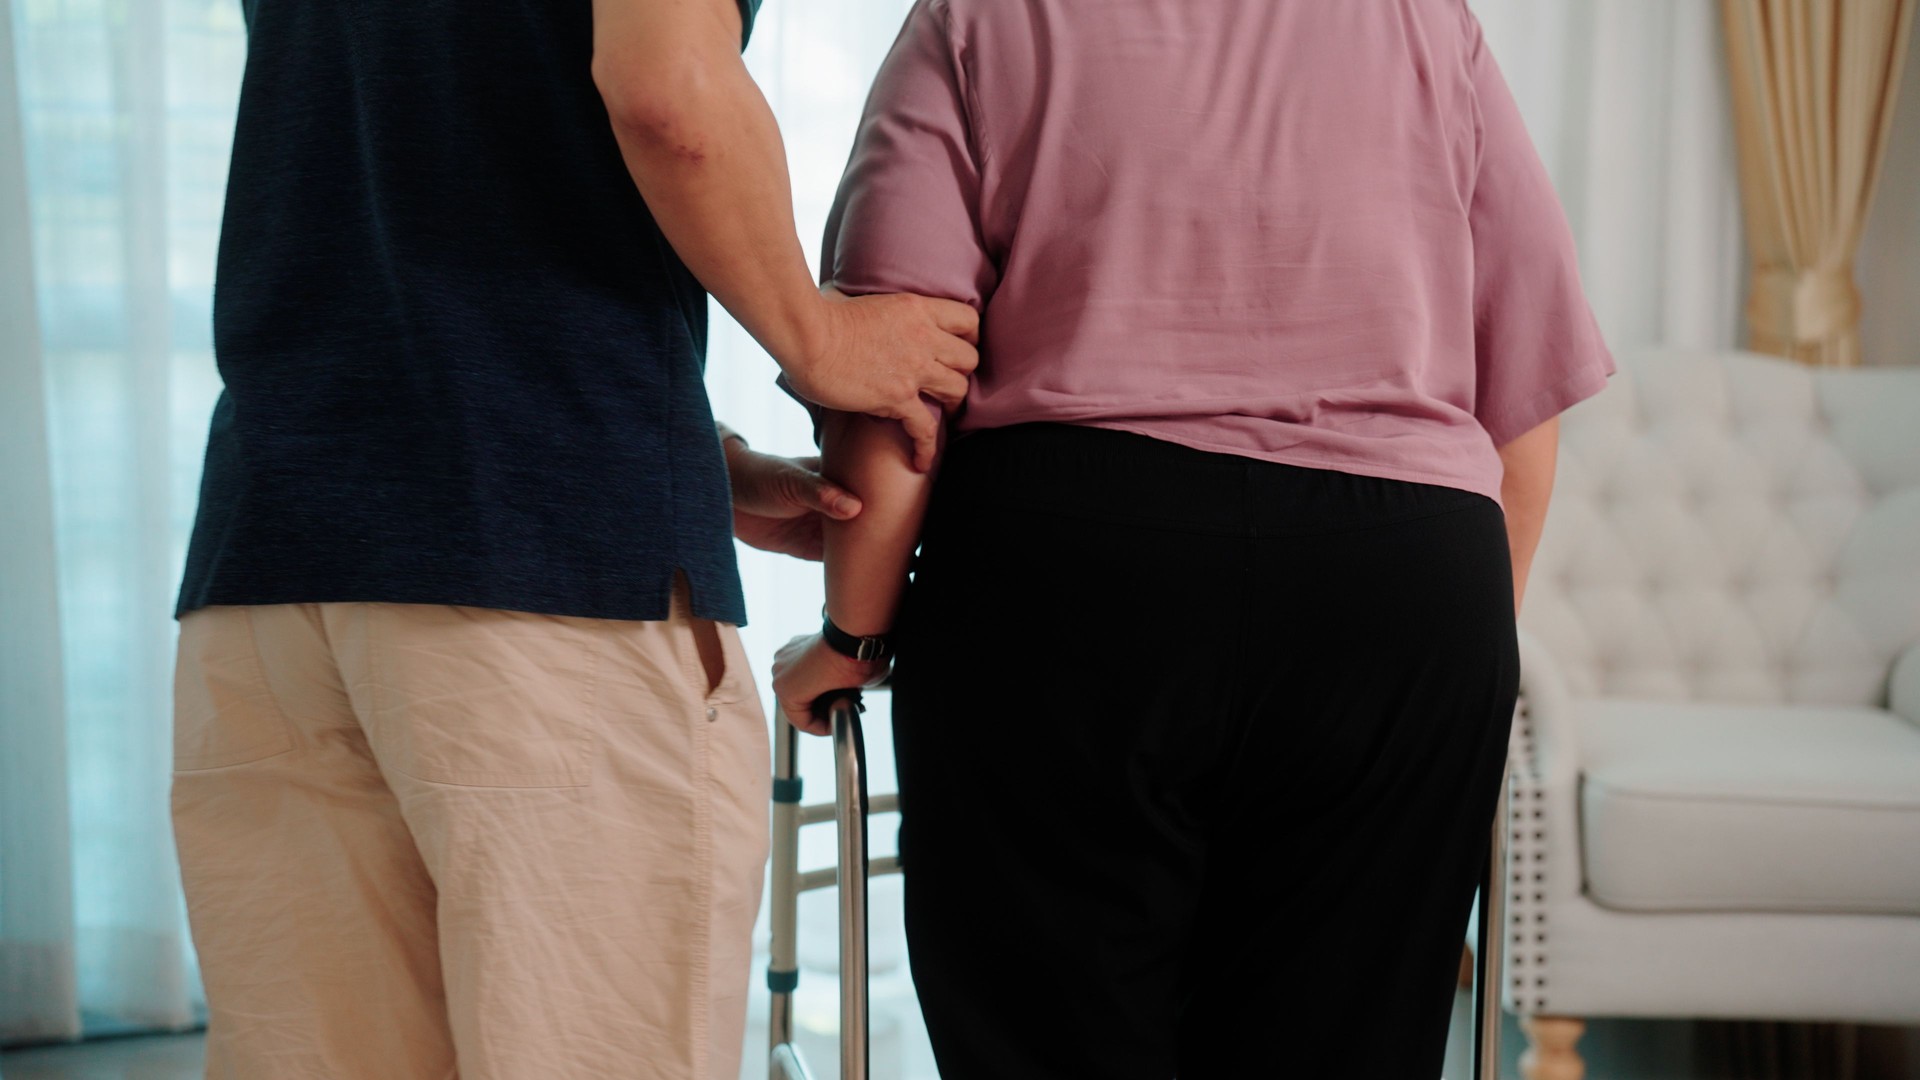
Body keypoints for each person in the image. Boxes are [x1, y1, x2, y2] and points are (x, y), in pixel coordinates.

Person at [771, 1, 1615, 1076]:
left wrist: (853, 635)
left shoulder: (979, 16)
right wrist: (1451, 661)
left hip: (1070, 584)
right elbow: (1525, 385)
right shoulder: (1420, 19)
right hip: (1402, 590)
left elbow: (891, 377)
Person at [168, 0, 979, 1077]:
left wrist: (690, 447)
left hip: (272, 560)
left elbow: (411, 148)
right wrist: (819, 335)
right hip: (555, 583)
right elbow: (663, 89)